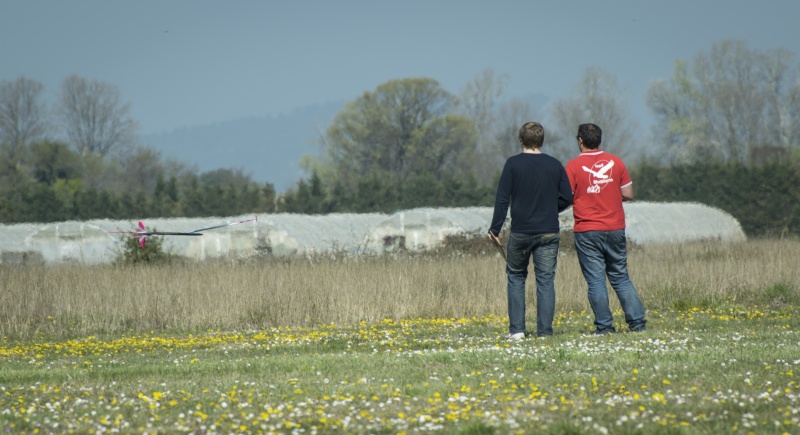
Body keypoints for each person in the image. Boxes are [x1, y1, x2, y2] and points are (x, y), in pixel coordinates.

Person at [488, 122, 573, 340]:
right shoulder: (554, 165)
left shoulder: (513, 164)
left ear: (521, 140)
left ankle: (517, 330)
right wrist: (549, 208)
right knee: (545, 280)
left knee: (516, 277)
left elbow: (502, 198)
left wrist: (495, 228)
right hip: (549, 231)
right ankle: (545, 332)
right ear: (541, 141)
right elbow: (567, 197)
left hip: (521, 231)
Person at [565, 123, 647, 334]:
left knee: (596, 280)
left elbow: (565, 196)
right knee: (620, 276)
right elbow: (628, 193)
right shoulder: (616, 162)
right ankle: (637, 323)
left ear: (580, 141)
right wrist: (608, 193)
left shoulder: (573, 166)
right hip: (615, 227)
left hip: (587, 229)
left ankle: (604, 326)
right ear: (599, 139)